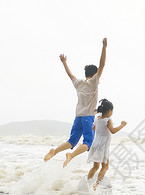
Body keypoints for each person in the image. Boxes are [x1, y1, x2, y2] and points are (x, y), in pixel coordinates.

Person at [44, 38, 108, 167]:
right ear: (95, 74)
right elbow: (102, 65)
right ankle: (71, 155)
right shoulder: (93, 82)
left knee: (72, 141)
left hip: (78, 116)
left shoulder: (78, 83)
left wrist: (64, 62)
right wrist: (104, 47)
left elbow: (70, 75)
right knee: (88, 142)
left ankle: (54, 152)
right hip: (88, 116)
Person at [87, 99, 127, 190]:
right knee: (105, 166)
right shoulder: (108, 120)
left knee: (95, 166)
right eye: (112, 111)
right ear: (109, 111)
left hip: (96, 142)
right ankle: (96, 185)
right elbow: (113, 131)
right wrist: (122, 125)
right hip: (103, 145)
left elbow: (93, 128)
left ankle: (88, 182)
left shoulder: (98, 118)